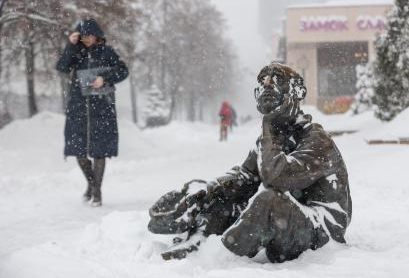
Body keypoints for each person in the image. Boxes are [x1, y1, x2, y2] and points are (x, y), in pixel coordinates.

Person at [148, 61, 352, 262]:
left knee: (268, 199)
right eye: (263, 81)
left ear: (296, 92)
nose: (268, 85)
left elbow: (275, 178)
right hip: (294, 218)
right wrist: (207, 191)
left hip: (322, 232)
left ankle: (221, 256)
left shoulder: (317, 140)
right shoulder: (274, 138)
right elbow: (245, 176)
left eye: (278, 80)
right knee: (225, 195)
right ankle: (199, 241)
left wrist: (269, 124)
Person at [56, 19, 128, 206]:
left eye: (90, 35)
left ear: (97, 35)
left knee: (99, 152)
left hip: (102, 108)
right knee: (79, 152)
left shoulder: (107, 52)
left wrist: (104, 79)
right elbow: (62, 67)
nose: (87, 39)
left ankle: (97, 193)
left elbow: (123, 71)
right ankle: (92, 184)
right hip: (78, 108)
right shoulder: (76, 51)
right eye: (83, 36)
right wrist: (70, 46)